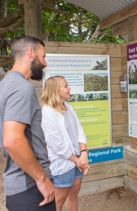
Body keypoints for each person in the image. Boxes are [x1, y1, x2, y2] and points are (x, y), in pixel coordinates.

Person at [0, 36, 56, 210]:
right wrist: (42, 179)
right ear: (31, 53)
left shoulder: (5, 85)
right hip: (31, 188)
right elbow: (12, 140)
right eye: (43, 56)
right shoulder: (22, 88)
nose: (45, 63)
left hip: (18, 189)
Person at [40, 76, 89, 211]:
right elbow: (57, 144)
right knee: (58, 202)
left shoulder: (68, 107)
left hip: (78, 160)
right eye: (66, 86)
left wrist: (83, 153)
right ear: (55, 90)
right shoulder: (47, 112)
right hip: (63, 164)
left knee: (73, 196)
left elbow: (80, 131)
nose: (69, 88)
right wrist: (78, 160)